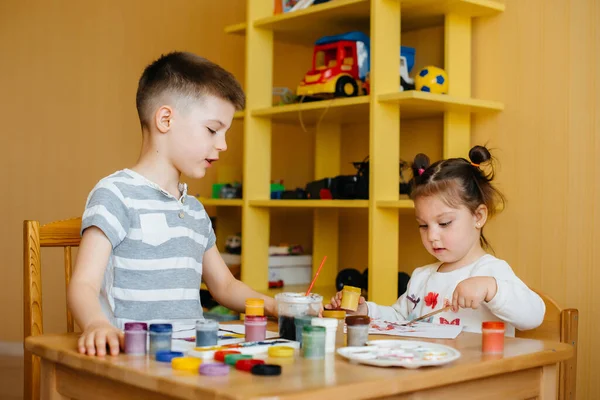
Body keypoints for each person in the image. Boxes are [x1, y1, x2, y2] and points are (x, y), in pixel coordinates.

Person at [67, 52, 276, 356]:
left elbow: (225, 287)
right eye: (212, 130)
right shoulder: (115, 194)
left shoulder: (194, 210)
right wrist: (96, 325)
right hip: (134, 357)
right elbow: (83, 284)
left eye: (225, 133)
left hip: (190, 359)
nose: (223, 144)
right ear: (165, 119)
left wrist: (275, 306)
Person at [326, 146, 545, 336]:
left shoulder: (490, 272)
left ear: (478, 217)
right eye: (423, 225)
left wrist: (491, 288)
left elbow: (534, 315)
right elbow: (401, 319)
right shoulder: (422, 278)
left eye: (444, 223)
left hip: (476, 381)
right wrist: (365, 312)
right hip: (430, 375)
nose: (431, 236)